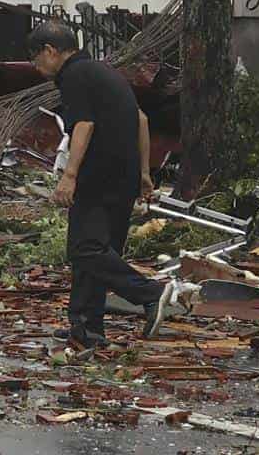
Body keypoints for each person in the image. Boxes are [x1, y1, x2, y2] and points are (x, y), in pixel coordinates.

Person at [28, 20, 174, 349]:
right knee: (94, 252)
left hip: (99, 174)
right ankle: (86, 329)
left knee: (84, 249)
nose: (38, 69)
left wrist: (69, 176)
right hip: (124, 177)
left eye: (37, 61)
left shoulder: (74, 76)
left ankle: (151, 293)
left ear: (50, 51)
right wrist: (144, 173)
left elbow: (84, 124)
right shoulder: (104, 72)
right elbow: (141, 120)